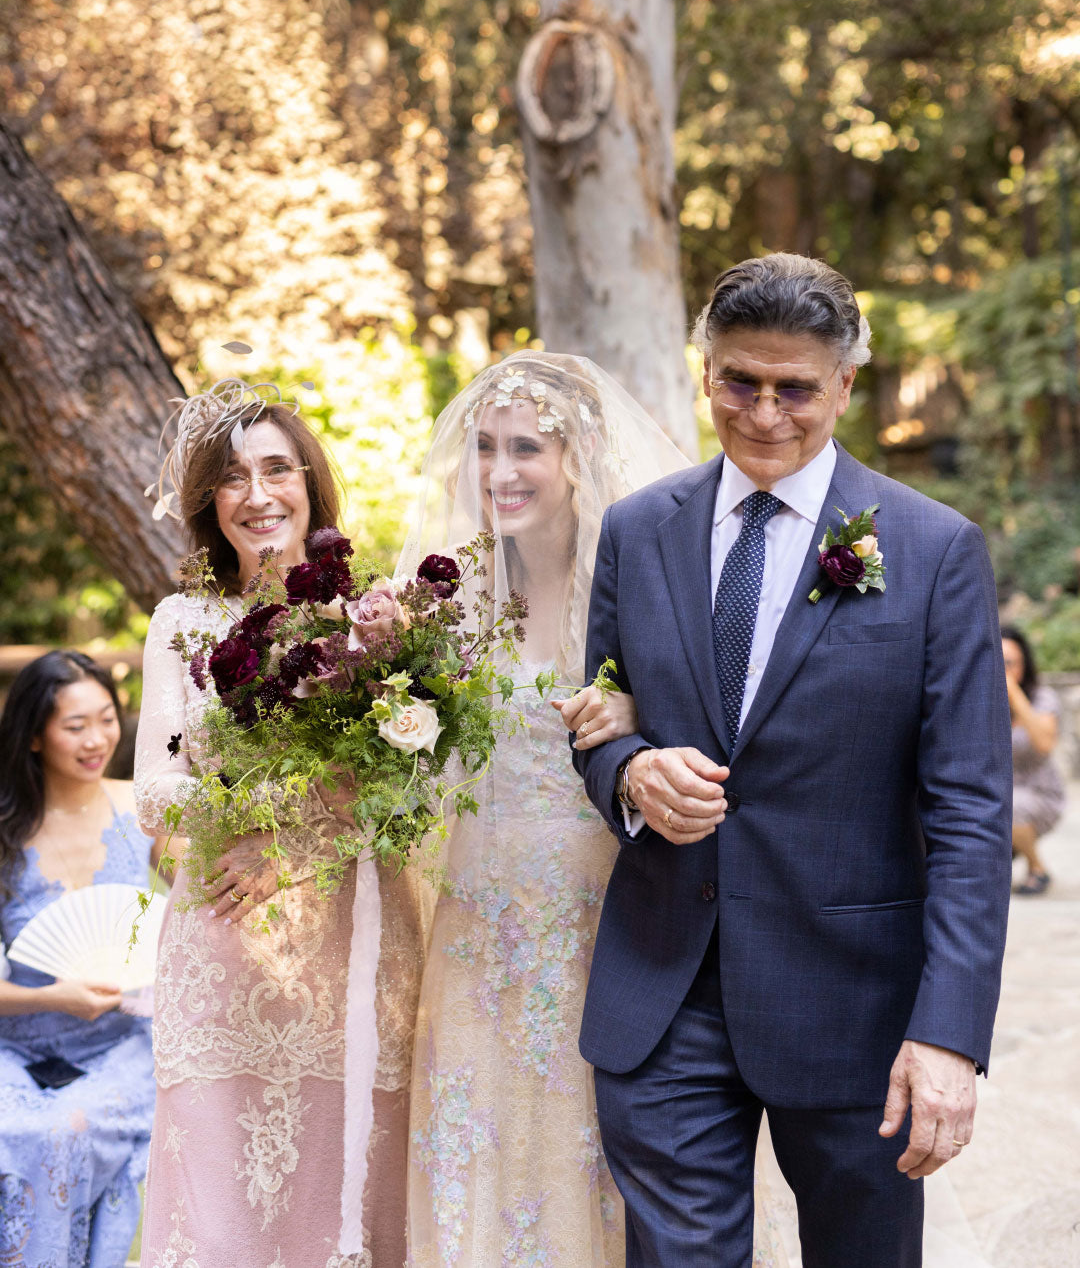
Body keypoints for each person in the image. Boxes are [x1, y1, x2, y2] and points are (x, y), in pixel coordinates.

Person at [574, 253, 1013, 1268]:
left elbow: (969, 813)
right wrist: (633, 774)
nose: (765, 411)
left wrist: (948, 1034)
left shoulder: (934, 547)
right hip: (664, 989)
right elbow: (599, 718)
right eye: (739, 381)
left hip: (859, 1009)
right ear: (706, 371)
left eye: (795, 388)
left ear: (846, 385)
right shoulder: (639, 531)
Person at [398, 352, 691, 1268]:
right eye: (485, 447)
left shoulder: (637, 581)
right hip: (475, 926)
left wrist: (637, 719)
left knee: (587, 1146)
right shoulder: (450, 594)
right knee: (473, 1141)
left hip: (599, 922)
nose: (499, 471)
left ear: (581, 456)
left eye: (526, 446)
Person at [134, 381, 424, 1268]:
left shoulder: (380, 620)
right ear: (208, 504)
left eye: (275, 469)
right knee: (221, 1209)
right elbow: (152, 789)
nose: (257, 494)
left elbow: (409, 794)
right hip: (224, 947)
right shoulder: (182, 623)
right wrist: (243, 819)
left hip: (356, 948)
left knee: (351, 1195)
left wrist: (295, 839)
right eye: (231, 478)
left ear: (310, 483)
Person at [0, 650, 161, 1266]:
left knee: (63, 1132)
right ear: (35, 736)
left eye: (106, 719)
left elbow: (200, 904)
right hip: (19, 1039)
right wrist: (51, 997)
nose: (97, 740)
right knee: (13, 1133)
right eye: (75, 726)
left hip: (123, 1045)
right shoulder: (6, 832)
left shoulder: (143, 809)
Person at [1002, 623, 1065, 895]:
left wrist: (1014, 695)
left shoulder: (1042, 698)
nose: (1003, 669)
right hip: (1002, 791)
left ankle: (1037, 868)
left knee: (1012, 804)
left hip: (1040, 795)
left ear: (1024, 663)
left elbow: (1044, 743)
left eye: (1009, 663)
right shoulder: (981, 700)